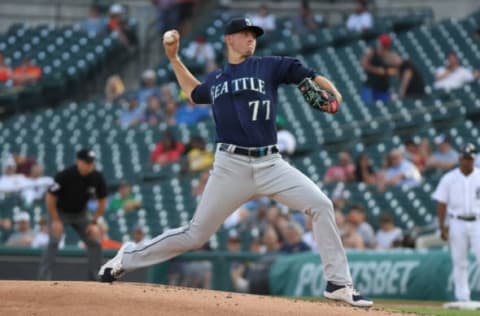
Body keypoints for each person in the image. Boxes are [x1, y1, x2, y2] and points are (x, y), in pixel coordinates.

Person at [99, 17, 372, 307]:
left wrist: (335, 92)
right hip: (230, 166)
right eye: (244, 34)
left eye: (253, 34)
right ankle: (127, 257)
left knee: (321, 205)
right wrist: (174, 58)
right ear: (229, 39)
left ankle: (339, 284)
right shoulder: (217, 80)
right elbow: (193, 92)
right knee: (195, 235)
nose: (251, 38)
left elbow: (308, 75)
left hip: (271, 163)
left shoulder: (270, 66)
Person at [38, 149, 107, 281]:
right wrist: (56, 220)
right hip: (60, 212)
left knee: (94, 240)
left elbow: (103, 200)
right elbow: (50, 198)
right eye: (86, 162)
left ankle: (96, 277)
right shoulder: (65, 175)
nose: (89, 165)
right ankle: (44, 278)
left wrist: (94, 222)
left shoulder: (96, 177)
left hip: (80, 213)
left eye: (91, 162)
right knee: (54, 241)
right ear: (78, 162)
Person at [432, 143, 480, 302]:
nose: (466, 161)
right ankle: (462, 297)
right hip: (457, 222)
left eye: (469, 158)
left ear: (473, 159)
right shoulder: (449, 178)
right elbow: (441, 202)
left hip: (477, 221)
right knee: (459, 261)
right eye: (464, 158)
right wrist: (442, 226)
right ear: (460, 158)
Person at [361, 34, 402, 104]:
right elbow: (364, 64)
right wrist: (376, 70)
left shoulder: (391, 55)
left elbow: (399, 67)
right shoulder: (372, 52)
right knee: (368, 106)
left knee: (387, 105)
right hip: (370, 86)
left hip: (383, 88)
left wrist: (386, 72)